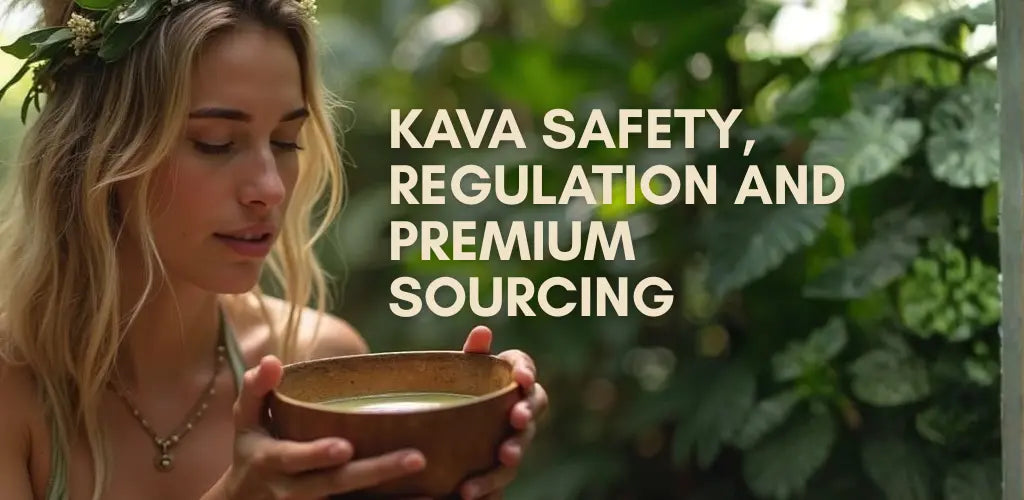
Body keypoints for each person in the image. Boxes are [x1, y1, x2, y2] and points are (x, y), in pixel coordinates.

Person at [0, 0, 549, 499]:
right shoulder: (14, 389)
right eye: (215, 142)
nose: (271, 187)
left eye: (286, 142)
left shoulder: (318, 371)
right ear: (99, 152)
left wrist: (458, 457)